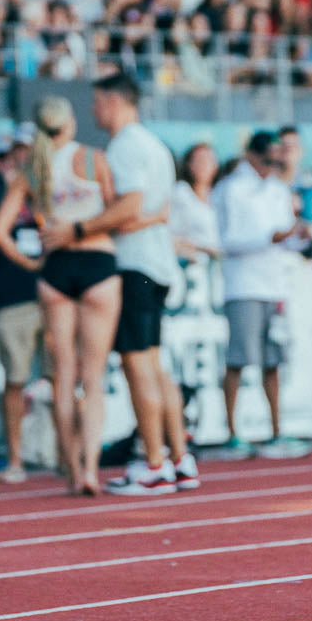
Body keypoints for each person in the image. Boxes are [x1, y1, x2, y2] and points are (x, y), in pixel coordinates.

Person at [0, 96, 119, 496]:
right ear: (70, 123)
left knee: (63, 376)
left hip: (56, 270)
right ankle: (93, 468)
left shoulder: (32, 169)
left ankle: (74, 470)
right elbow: (114, 213)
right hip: (97, 262)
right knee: (93, 379)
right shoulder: (95, 160)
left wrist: (30, 263)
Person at [86, 73, 197, 496]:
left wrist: (79, 228)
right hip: (157, 262)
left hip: (134, 264)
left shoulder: (126, 146)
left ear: (115, 101)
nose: (94, 111)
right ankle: (178, 458)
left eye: (97, 102)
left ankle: (154, 463)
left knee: (138, 366)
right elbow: (152, 210)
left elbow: (129, 207)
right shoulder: (153, 145)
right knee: (154, 365)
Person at [211, 131, 312, 460]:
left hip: (274, 283)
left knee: (274, 361)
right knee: (238, 360)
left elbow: (285, 239)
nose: (274, 166)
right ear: (253, 156)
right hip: (242, 284)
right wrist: (271, 236)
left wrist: (299, 234)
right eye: (269, 160)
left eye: (278, 161)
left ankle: (275, 431)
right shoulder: (230, 188)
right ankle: (231, 433)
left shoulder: (277, 189)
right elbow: (225, 240)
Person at [0, 128, 44, 484]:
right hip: (13, 296)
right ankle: (14, 458)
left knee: (66, 379)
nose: (21, 156)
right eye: (15, 151)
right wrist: (9, 201)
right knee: (15, 380)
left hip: (55, 293)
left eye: (28, 150)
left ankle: (69, 456)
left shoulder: (51, 190)